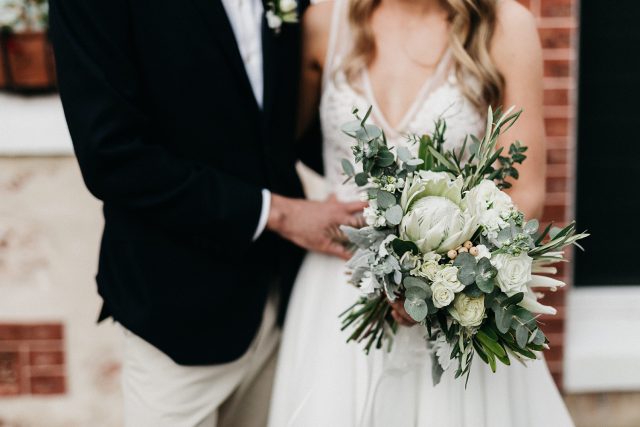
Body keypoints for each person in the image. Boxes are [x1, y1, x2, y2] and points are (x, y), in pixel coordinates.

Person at [48, 0, 365, 425]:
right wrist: (282, 214)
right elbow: (114, 158)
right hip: (176, 311)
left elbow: (288, 123)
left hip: (285, 301)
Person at [268, 0, 575, 425]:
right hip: (336, 290)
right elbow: (268, 152)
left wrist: (436, 283)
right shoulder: (325, 20)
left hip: (456, 295)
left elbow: (525, 191)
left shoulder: (506, 26)